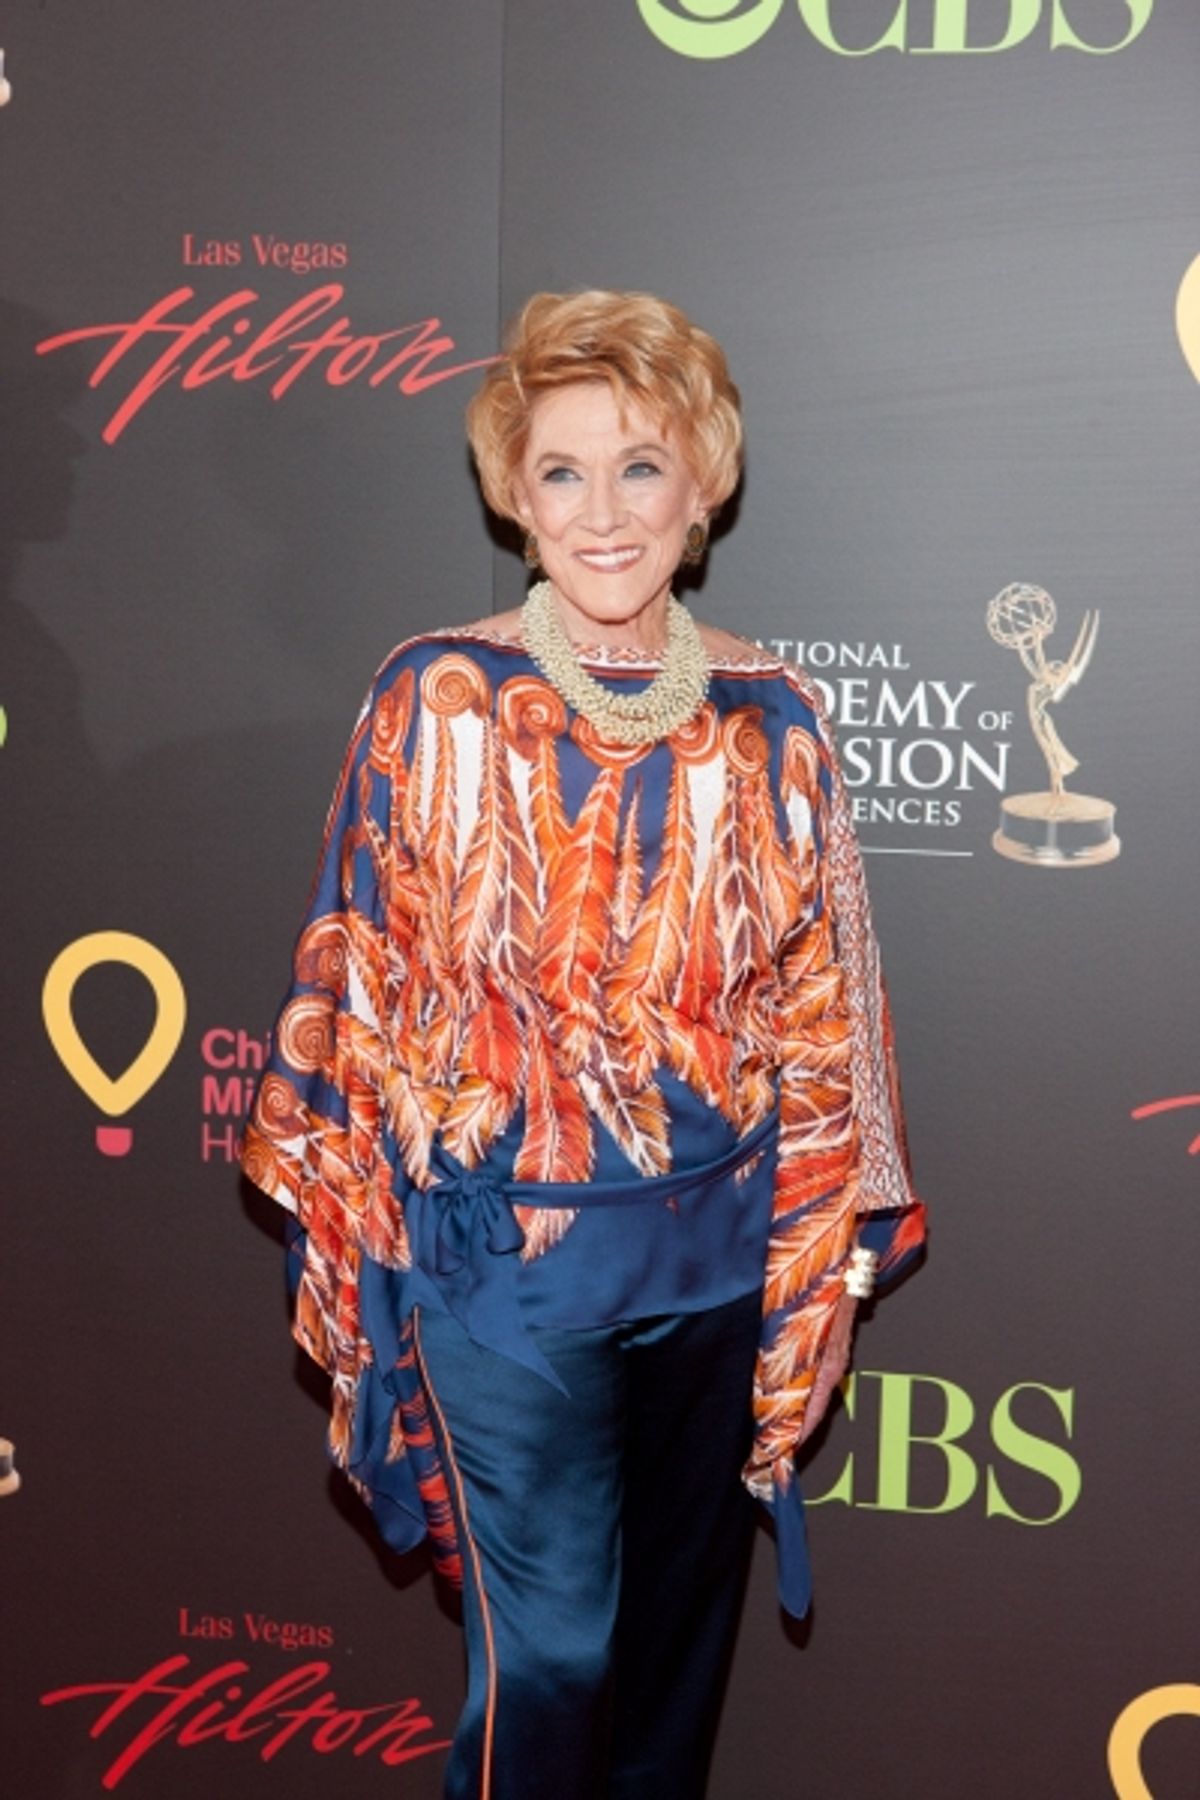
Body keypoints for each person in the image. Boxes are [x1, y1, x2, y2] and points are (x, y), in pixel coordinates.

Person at [241, 288, 925, 1800]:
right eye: (561, 470)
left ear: (705, 490)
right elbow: (352, 992)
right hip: (504, 1281)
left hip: (721, 1271)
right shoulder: (434, 698)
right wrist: (391, 1252)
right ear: (513, 494)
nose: (602, 511)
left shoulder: (776, 718)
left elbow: (828, 1041)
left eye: (641, 467)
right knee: (551, 1663)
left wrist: (823, 1298)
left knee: (675, 1670)